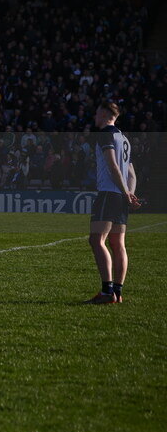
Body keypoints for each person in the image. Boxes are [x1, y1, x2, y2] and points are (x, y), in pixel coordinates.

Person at [87, 100, 139, 305]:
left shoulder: (105, 134)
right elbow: (132, 174)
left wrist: (125, 192)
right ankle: (117, 292)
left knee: (96, 240)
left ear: (105, 114)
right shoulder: (124, 138)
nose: (95, 116)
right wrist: (130, 194)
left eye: (97, 112)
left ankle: (107, 291)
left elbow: (113, 166)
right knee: (118, 244)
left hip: (109, 194)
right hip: (121, 196)